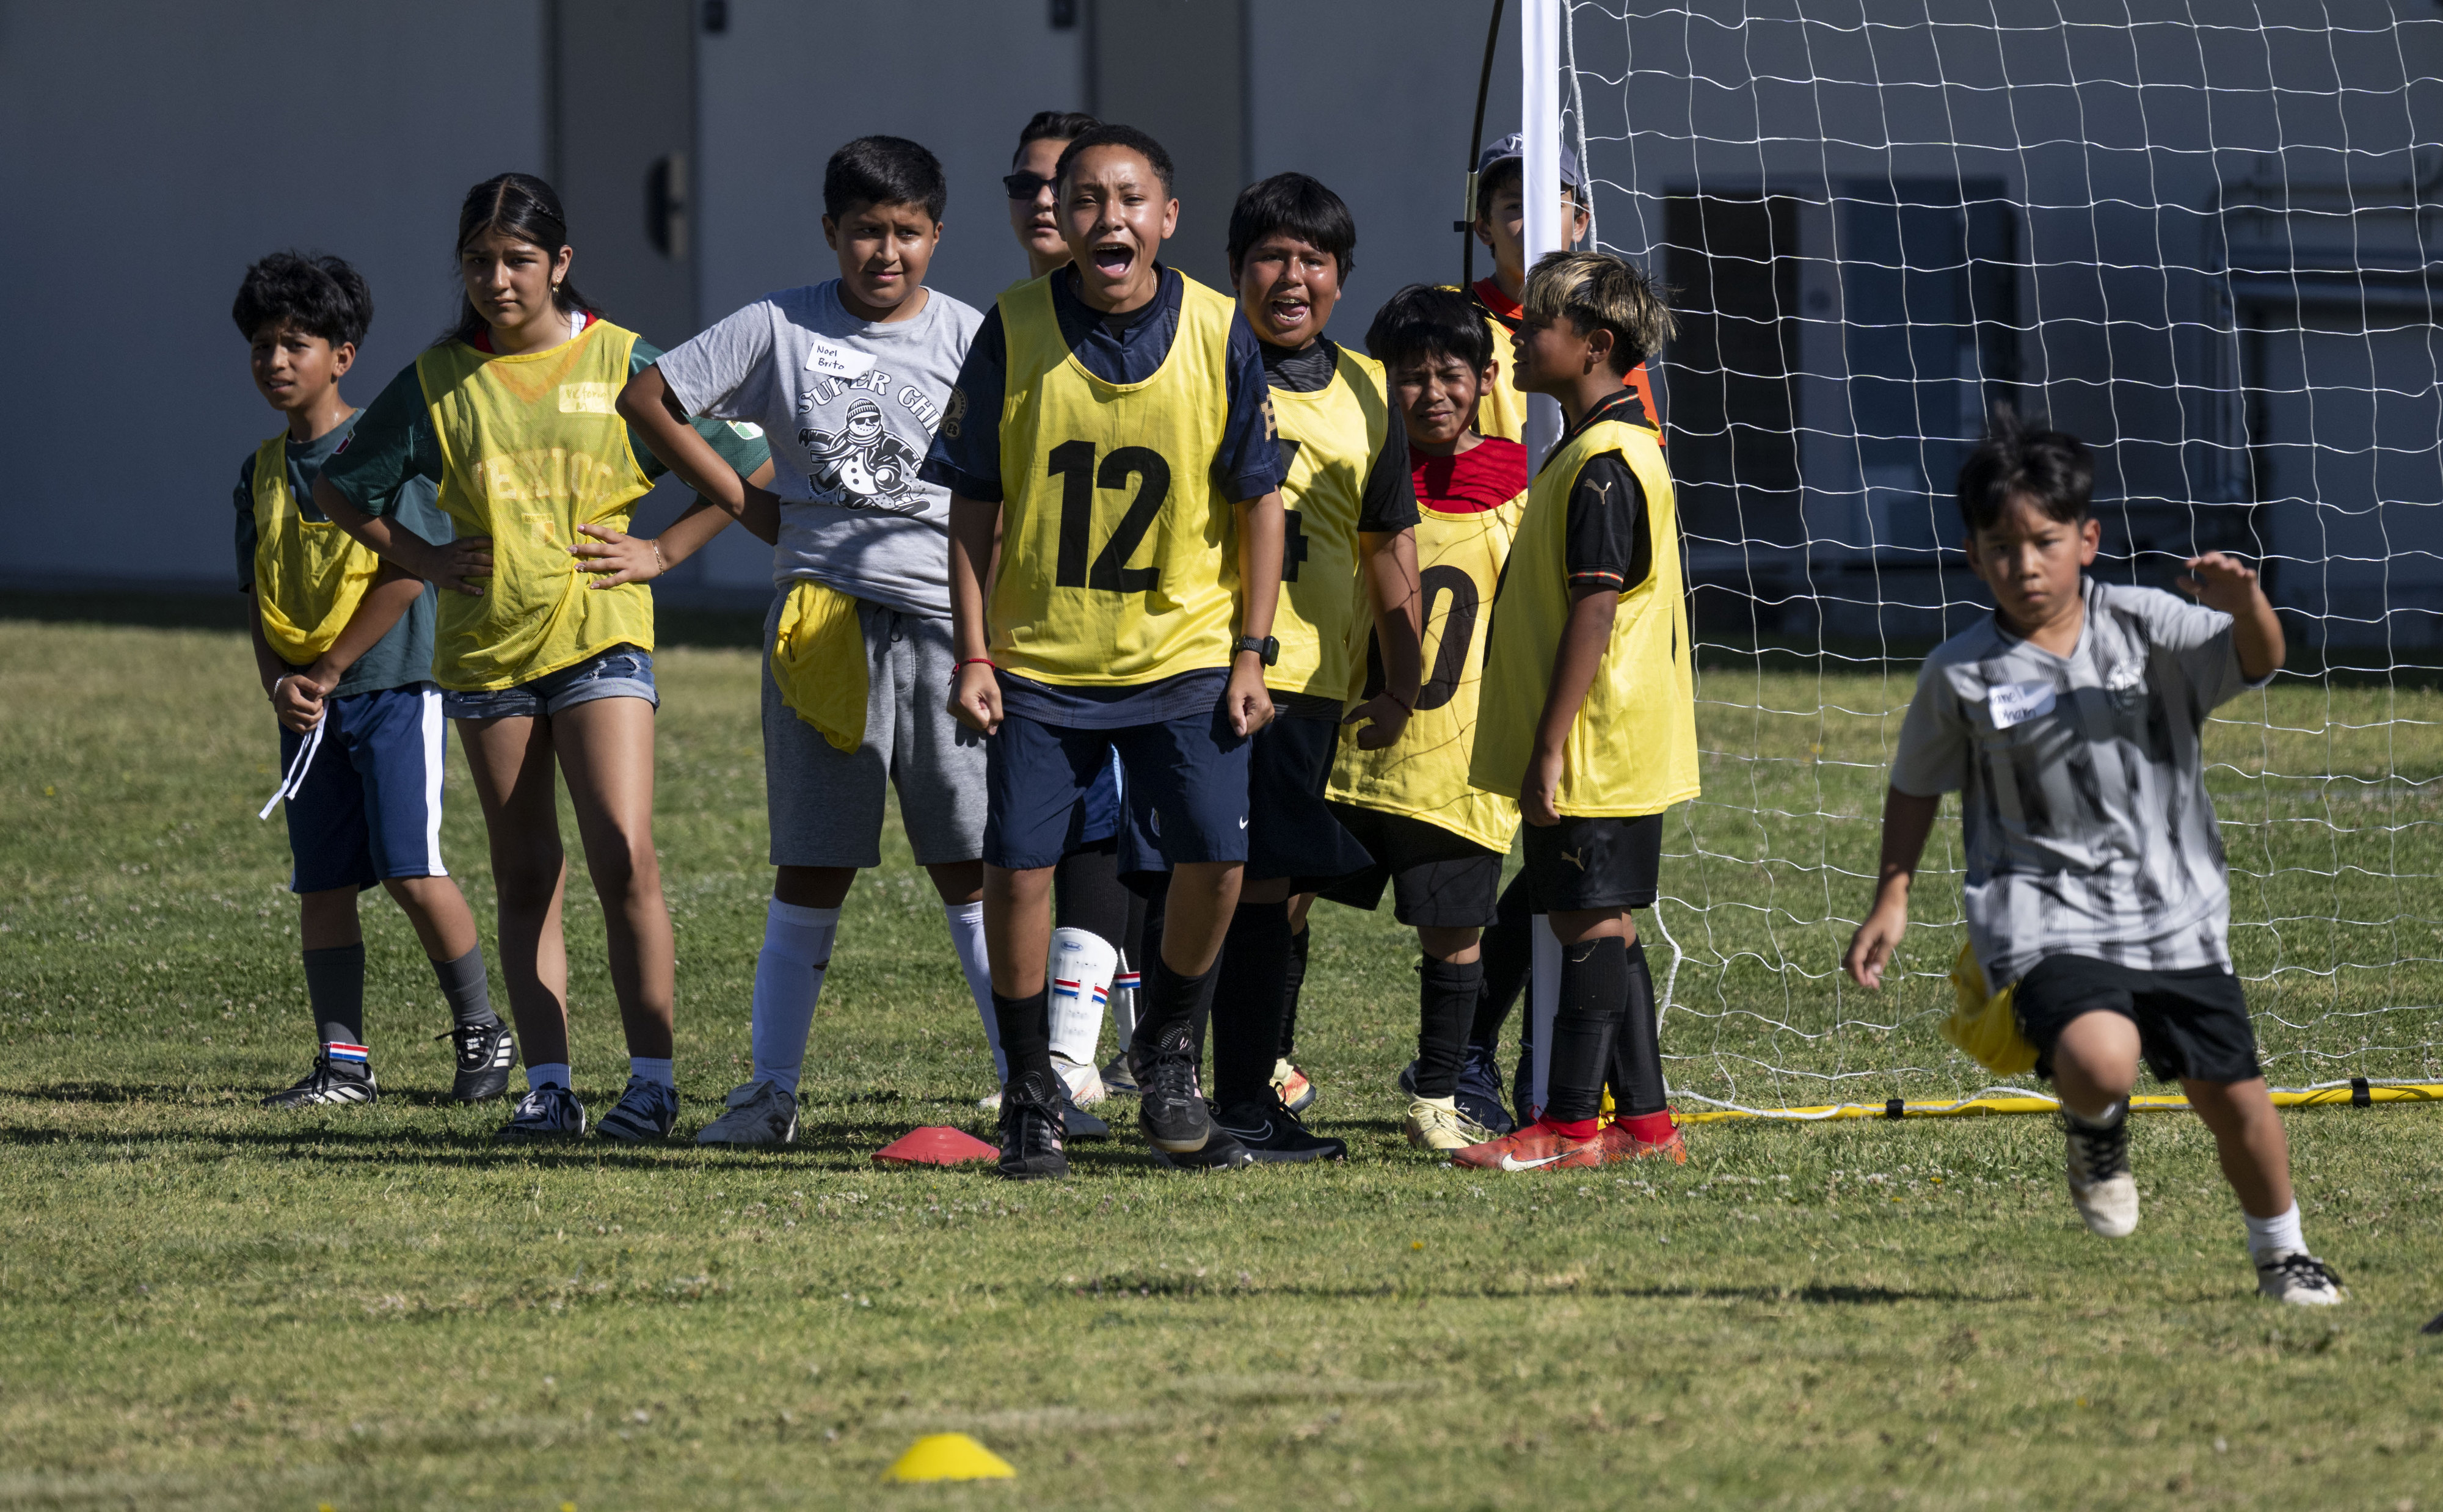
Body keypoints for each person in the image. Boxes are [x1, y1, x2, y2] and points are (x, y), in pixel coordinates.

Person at [1841, 416, 2343, 1306]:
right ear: (1972, 555)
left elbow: (2259, 659)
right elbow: (1915, 785)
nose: (2024, 566)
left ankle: (2284, 1256)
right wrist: (1893, 895)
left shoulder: (2146, 628)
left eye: (2043, 543)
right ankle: (2095, 1127)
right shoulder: (1961, 675)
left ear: (2087, 540)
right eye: (2001, 548)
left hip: (2175, 908)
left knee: (2237, 1104)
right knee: (2101, 1057)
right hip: (2041, 912)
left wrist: (2246, 606)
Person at [316, 173, 771, 1143]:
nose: (497, 279)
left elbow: (746, 468)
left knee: (625, 853)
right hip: (488, 657)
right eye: (478, 262)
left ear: (560, 263)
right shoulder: (438, 381)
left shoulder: (624, 360)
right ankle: (550, 1087)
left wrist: (661, 551)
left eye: (518, 259)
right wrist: (428, 558)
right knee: (527, 877)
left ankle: (651, 1084)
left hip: (600, 637)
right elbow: (341, 490)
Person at [614, 136, 997, 1150]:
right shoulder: (777, 325)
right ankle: (767, 1094)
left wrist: (987, 637)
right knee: (813, 861)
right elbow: (648, 397)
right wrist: (752, 501)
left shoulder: (974, 336)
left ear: (937, 236)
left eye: (907, 232)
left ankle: (1029, 1086)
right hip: (821, 621)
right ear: (830, 231)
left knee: (970, 859)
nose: (886, 252)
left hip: (948, 624)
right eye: (866, 230)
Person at [928, 123, 1287, 1179]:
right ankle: (1034, 1087)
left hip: (1183, 650)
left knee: (1218, 861)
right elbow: (973, 506)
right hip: (1043, 656)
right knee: (1021, 866)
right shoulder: (1014, 326)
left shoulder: (1222, 331)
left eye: (1131, 200)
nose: (1109, 219)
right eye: (1085, 200)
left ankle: (1169, 1046)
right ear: (1061, 219)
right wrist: (976, 651)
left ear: (1167, 218)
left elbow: (1260, 501)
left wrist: (1252, 649)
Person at [1171, 172, 1422, 1162]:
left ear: (1341, 278)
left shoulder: (1368, 386)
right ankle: (1202, 1096)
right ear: (1236, 272)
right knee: (1218, 884)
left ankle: (1241, 1099)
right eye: (1271, 256)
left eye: (1312, 260)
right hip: (1208, 669)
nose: (1292, 276)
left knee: (1270, 891)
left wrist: (1401, 678)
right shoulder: (1198, 371)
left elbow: (1387, 542)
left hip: (1313, 686)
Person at [231, 251, 512, 1110]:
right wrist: (282, 682)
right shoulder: (258, 474)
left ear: (342, 355)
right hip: (306, 705)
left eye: (295, 344)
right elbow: (258, 597)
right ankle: (343, 1062)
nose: (276, 362)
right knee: (321, 883)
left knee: (410, 868)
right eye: (262, 346)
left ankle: (483, 1031)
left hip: (391, 689)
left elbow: (407, 575)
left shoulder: (380, 450)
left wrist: (327, 668)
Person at [1457, 250, 1695, 1171]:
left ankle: (1567, 1124)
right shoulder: (1604, 444)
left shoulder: (1605, 463)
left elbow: (1595, 610)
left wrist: (1550, 745)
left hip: (1597, 739)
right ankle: (1647, 1124)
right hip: (1612, 738)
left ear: (1594, 346)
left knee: (1586, 924)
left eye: (1536, 327)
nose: (1517, 337)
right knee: (1605, 917)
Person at [1305, 283, 1525, 1152]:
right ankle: (1271, 1066)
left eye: (1450, 374)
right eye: (1410, 376)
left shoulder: (1520, 484)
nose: (1432, 393)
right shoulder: (1357, 468)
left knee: (1454, 930)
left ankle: (1440, 1089)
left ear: (1483, 377)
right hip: (1351, 741)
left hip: (1459, 756)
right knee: (1283, 894)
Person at [994, 107, 1147, 1113]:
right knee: (1063, 845)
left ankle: (1116, 1053)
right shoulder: (1007, 325)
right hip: (1037, 644)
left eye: (1073, 186)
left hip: (1149, 637)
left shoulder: (1171, 321)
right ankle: (1064, 1063)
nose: (1048, 204)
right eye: (1031, 187)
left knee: (1154, 847)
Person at [1463, 134, 1658, 444]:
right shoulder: (1451, 315)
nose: (1535, 222)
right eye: (1516, 205)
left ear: (1580, 221)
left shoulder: (1608, 323)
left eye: (1552, 204)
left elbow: (1639, 449)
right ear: (1484, 226)